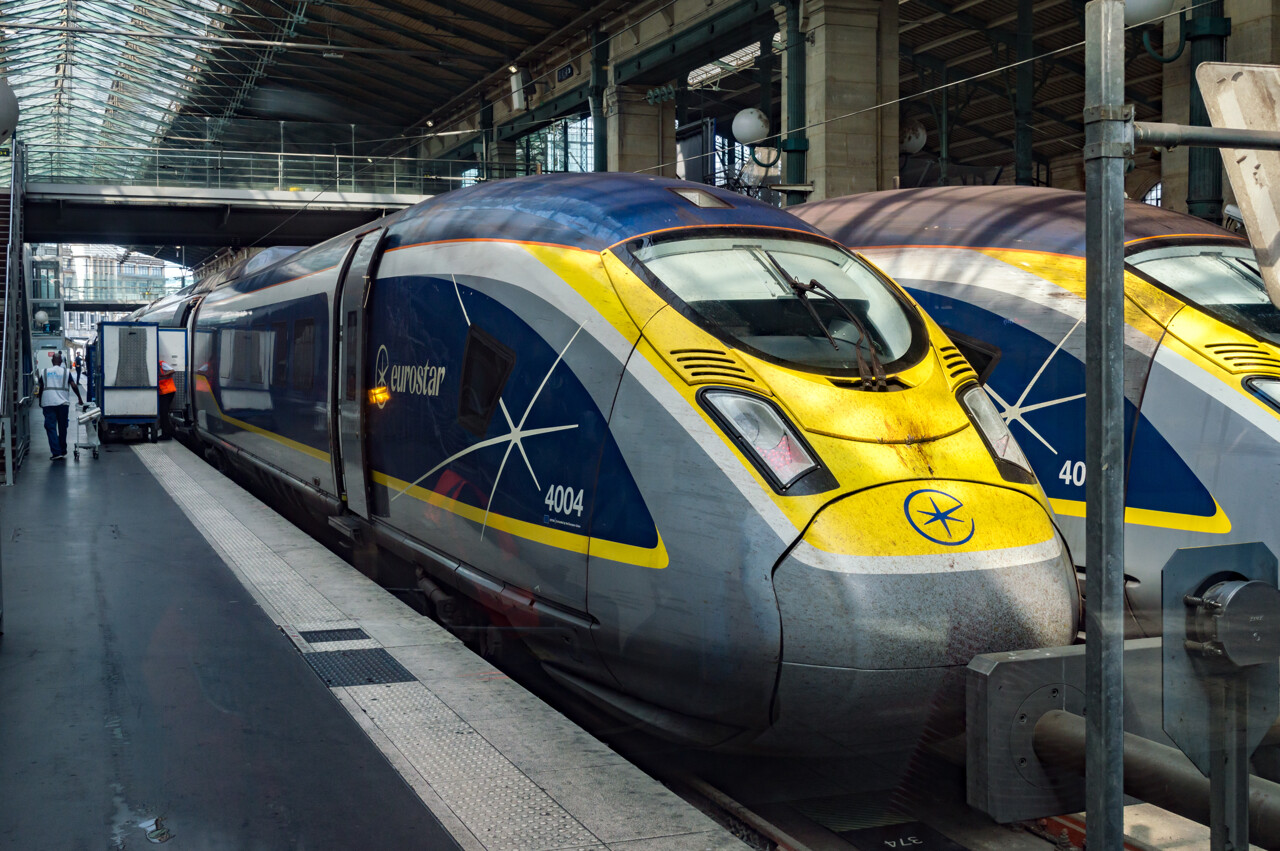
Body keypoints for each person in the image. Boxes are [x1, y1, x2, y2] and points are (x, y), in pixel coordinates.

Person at [38, 352, 83, 461]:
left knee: (51, 427)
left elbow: (41, 388)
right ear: (62, 362)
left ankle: (56, 452)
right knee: (63, 427)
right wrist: (80, 398)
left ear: (52, 361)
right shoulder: (66, 372)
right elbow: (73, 385)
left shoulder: (44, 372)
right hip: (63, 404)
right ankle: (62, 450)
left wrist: (40, 400)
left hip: (48, 403)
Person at [158, 356, 176, 440]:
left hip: (168, 391)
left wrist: (163, 375)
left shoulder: (161, 363)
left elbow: (172, 370)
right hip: (163, 392)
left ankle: (167, 434)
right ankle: (168, 431)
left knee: (164, 413)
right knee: (163, 412)